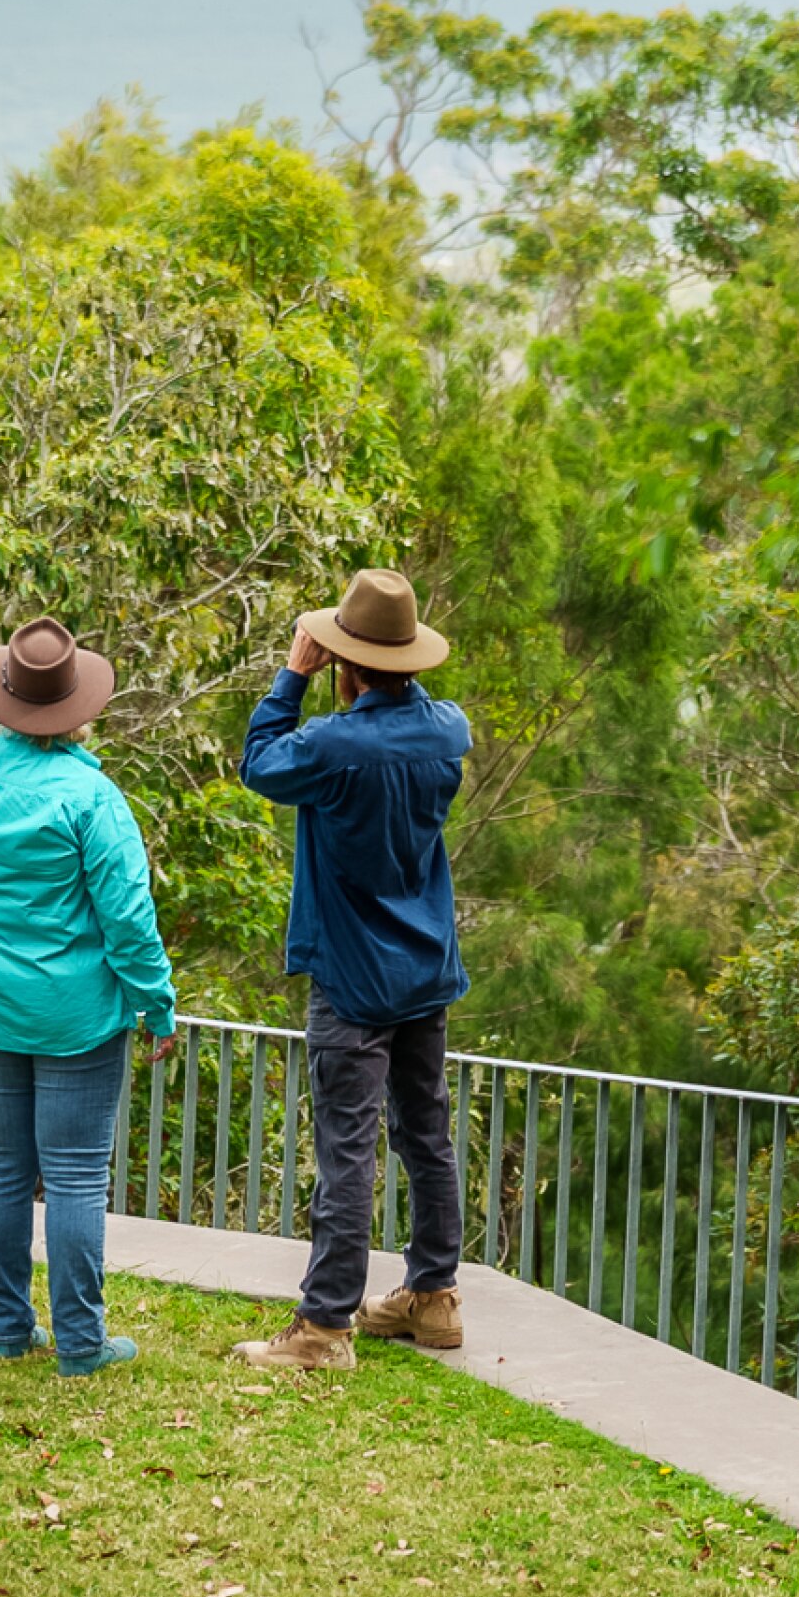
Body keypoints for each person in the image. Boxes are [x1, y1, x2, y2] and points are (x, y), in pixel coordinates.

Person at [232, 566, 472, 1372]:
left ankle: (325, 1326)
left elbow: (260, 762)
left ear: (346, 662)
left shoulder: (333, 745)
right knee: (426, 1133)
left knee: (346, 1147)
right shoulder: (446, 733)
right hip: (425, 966)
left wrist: (291, 675)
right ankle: (433, 1295)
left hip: (352, 974)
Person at [0, 614, 177, 1378]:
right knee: (74, 1173)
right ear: (80, 705)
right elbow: (129, 920)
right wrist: (157, 1003)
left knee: (2, 1165)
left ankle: (7, 1326)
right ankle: (80, 1341)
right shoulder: (92, 798)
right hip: (74, 1013)